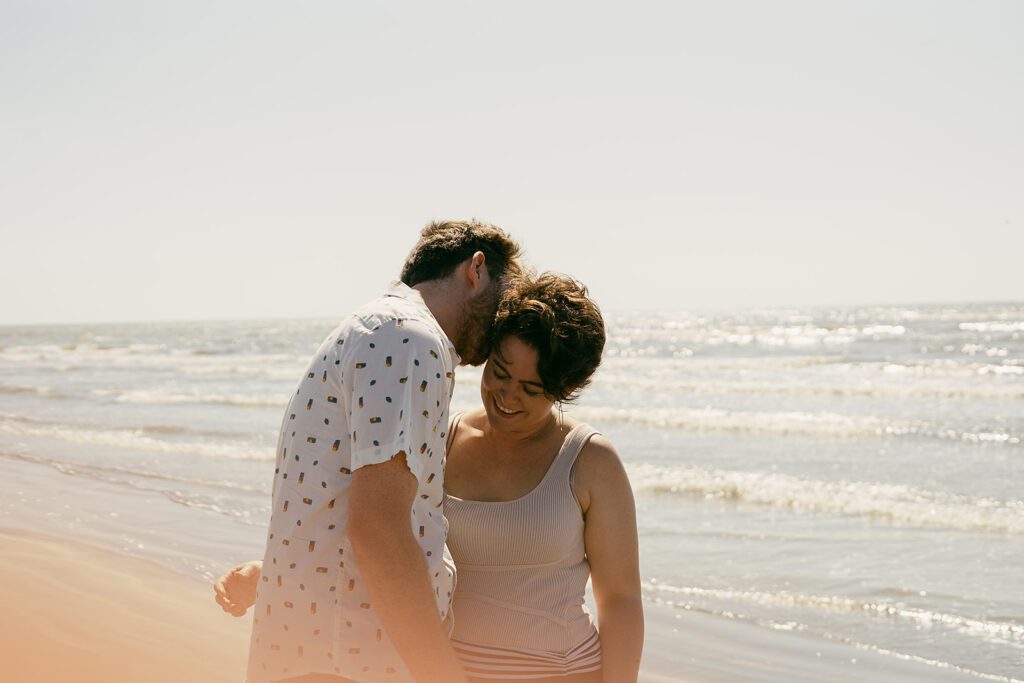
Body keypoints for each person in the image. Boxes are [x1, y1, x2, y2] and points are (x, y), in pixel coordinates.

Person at [218, 274, 644, 683]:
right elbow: (382, 534)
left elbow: (621, 601)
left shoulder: (590, 461)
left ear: (563, 389)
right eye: (499, 371)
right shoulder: (442, 438)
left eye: (531, 389)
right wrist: (271, 573)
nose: (508, 396)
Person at [223, 219, 522, 683]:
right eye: (506, 299)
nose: (505, 321)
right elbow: (379, 528)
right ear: (476, 269)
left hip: (322, 652)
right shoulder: (409, 339)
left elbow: (335, 503)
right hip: (354, 657)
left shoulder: (376, 328)